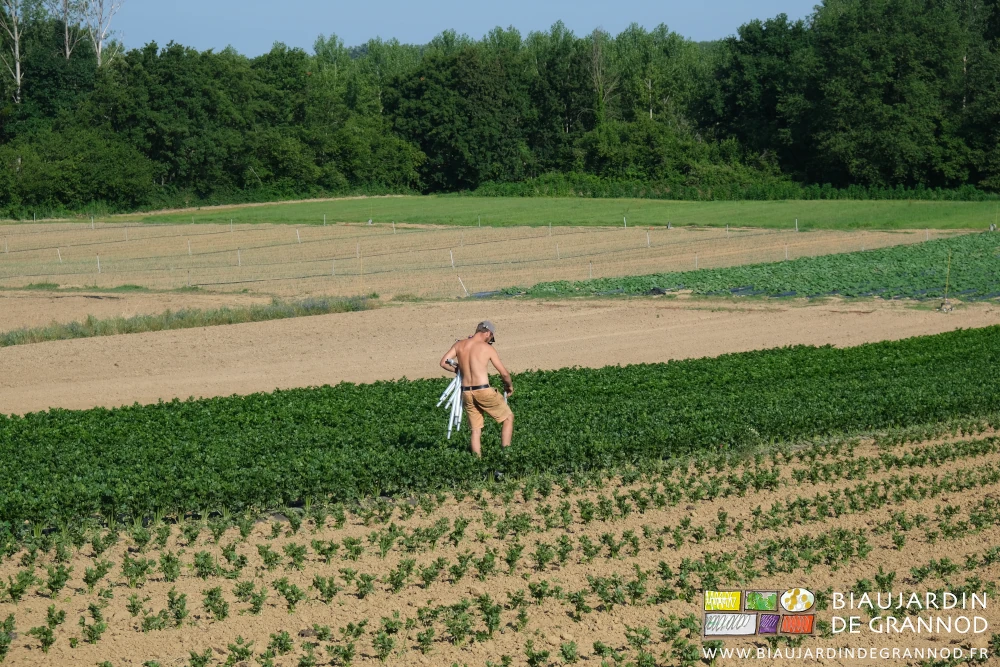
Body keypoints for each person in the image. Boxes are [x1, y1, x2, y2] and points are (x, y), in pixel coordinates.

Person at [439, 321, 514, 457]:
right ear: (487, 333)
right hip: (483, 390)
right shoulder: (486, 348)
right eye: (491, 337)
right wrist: (509, 386)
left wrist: (457, 369)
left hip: (466, 392)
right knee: (508, 418)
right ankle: (506, 455)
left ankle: (477, 463)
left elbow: (443, 362)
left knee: (475, 430)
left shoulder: (459, 345)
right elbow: (504, 373)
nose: (490, 340)